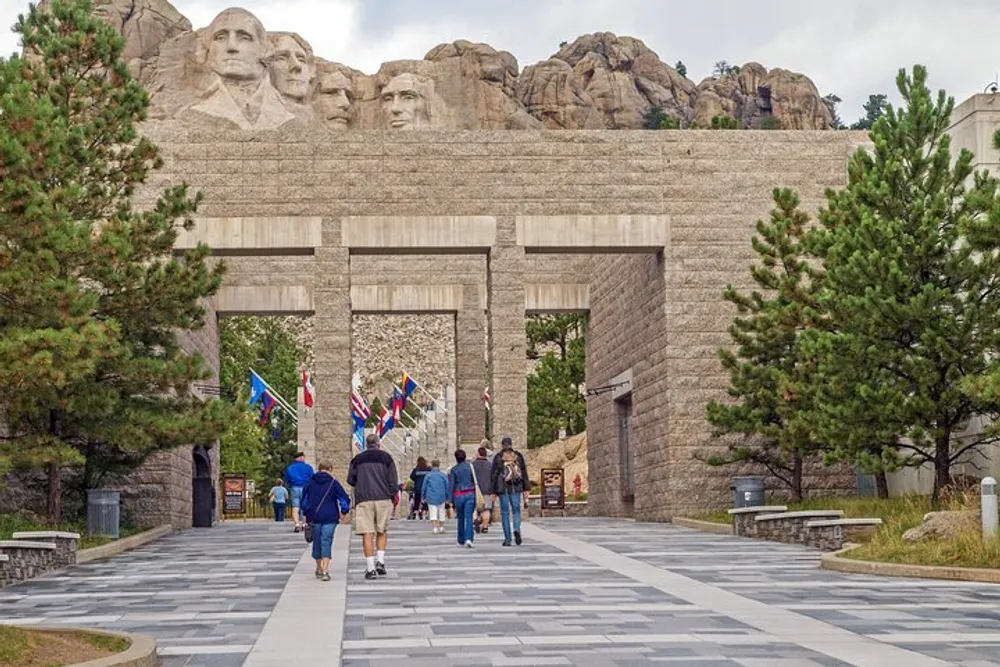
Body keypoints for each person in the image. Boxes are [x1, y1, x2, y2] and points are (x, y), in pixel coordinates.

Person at [347, 433, 398, 580]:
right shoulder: (387, 458)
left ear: (366, 445)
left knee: (367, 533)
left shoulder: (357, 460)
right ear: (378, 444)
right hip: (383, 497)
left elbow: (351, 479)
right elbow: (393, 480)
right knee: (382, 530)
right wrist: (392, 493)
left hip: (364, 499)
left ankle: (370, 569)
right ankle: (380, 562)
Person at [301, 461, 351, 582]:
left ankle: (318, 566)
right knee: (327, 541)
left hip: (314, 517)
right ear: (330, 469)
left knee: (317, 542)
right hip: (330, 516)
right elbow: (344, 499)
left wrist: (306, 514)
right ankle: (325, 570)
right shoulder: (333, 483)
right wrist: (343, 512)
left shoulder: (310, 482)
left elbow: (304, 501)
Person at [490, 436, 529, 547]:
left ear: (502, 445)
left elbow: (494, 475)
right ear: (511, 444)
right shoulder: (518, 456)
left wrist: (492, 491)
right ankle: (516, 529)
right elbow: (524, 473)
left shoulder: (498, 457)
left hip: (503, 489)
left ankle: (507, 539)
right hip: (516, 487)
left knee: (505, 513)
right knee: (516, 510)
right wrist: (526, 488)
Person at [449, 449, 477, 549]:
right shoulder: (470, 467)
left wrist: (450, 500)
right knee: (469, 517)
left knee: (460, 518)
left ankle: (460, 539)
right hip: (470, 493)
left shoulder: (454, 470)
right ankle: (468, 538)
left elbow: (451, 485)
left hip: (459, 495)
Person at [284, 452, 314, 533]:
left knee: (295, 507)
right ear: (302, 458)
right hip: (305, 487)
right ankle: (304, 524)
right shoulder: (308, 467)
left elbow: (286, 479)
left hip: (294, 487)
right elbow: (312, 478)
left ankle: (297, 524)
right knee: (305, 507)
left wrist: (291, 484)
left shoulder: (290, 468)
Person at [420, 459, 449, 534]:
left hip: (431, 495)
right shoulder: (443, 475)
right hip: (442, 496)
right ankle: (441, 527)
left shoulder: (428, 475)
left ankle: (435, 528)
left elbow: (424, 486)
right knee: (441, 511)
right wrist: (448, 496)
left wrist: (422, 497)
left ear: (432, 465)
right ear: (439, 465)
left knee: (433, 512)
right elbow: (447, 486)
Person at [471, 447, 493, 533]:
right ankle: (485, 527)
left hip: (475, 490)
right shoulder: (490, 465)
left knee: (474, 508)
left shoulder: (472, 465)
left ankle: (475, 520)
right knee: (486, 509)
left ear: (478, 454)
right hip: (487, 489)